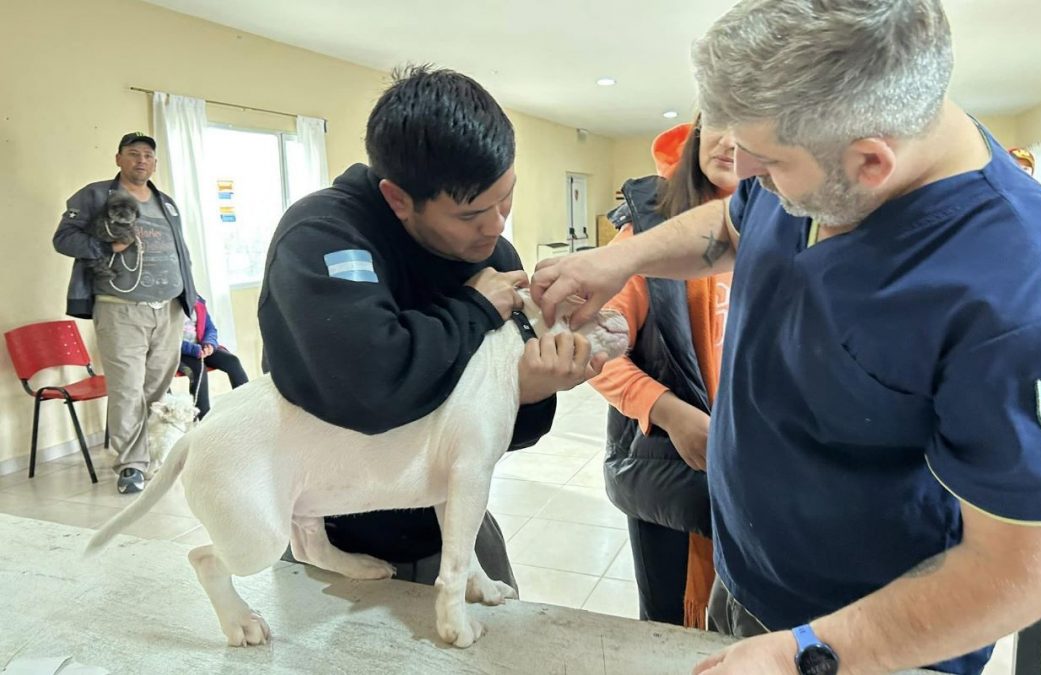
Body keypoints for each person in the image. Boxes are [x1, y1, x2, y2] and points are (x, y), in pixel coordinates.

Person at [531, 2, 1041, 673]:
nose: (749, 183)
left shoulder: (1027, 300)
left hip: (870, 639)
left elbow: (1020, 571)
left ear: (871, 162)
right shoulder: (819, 147)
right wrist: (617, 260)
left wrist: (806, 653)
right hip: (744, 575)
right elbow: (729, 230)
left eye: (768, 167)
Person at [259, 66, 598, 589]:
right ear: (398, 198)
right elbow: (371, 387)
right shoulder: (323, 235)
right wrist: (474, 311)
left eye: (506, 197)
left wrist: (529, 386)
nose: (497, 225)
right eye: (470, 215)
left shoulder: (491, 254)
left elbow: (512, 433)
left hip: (454, 521)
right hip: (331, 538)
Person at [589, 118, 738, 628]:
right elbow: (597, 349)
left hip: (755, 477)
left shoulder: (793, 232)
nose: (732, 141)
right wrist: (667, 411)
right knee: (669, 624)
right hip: (669, 469)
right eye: (718, 119)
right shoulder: (645, 237)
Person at [54, 132, 197, 495]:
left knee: (157, 386)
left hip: (168, 308)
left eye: (148, 155)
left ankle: (149, 454)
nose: (141, 161)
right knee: (127, 388)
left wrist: (190, 297)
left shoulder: (167, 203)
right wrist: (105, 246)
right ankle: (131, 466)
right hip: (121, 309)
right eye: (134, 154)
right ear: (119, 158)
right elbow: (63, 238)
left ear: (154, 163)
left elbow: (181, 252)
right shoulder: (96, 195)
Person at [179, 295, 249, 419]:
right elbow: (167, 339)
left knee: (232, 362)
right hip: (179, 352)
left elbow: (210, 328)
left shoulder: (196, 301)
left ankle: (246, 405)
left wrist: (209, 344)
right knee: (199, 369)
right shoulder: (165, 305)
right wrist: (194, 350)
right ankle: (203, 418)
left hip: (201, 346)